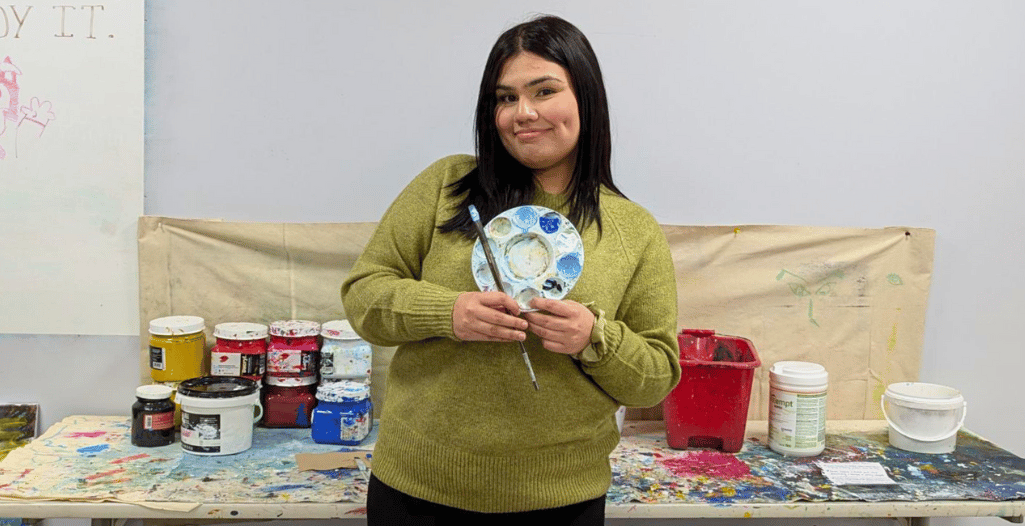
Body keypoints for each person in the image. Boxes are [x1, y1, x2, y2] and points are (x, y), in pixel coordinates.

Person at [341, 14, 681, 525]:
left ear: (586, 97)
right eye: (505, 97)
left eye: (544, 91)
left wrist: (595, 337)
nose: (523, 113)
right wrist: (447, 312)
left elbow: (656, 376)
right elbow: (364, 298)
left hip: (561, 499)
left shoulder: (632, 229)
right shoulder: (447, 185)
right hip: (417, 488)